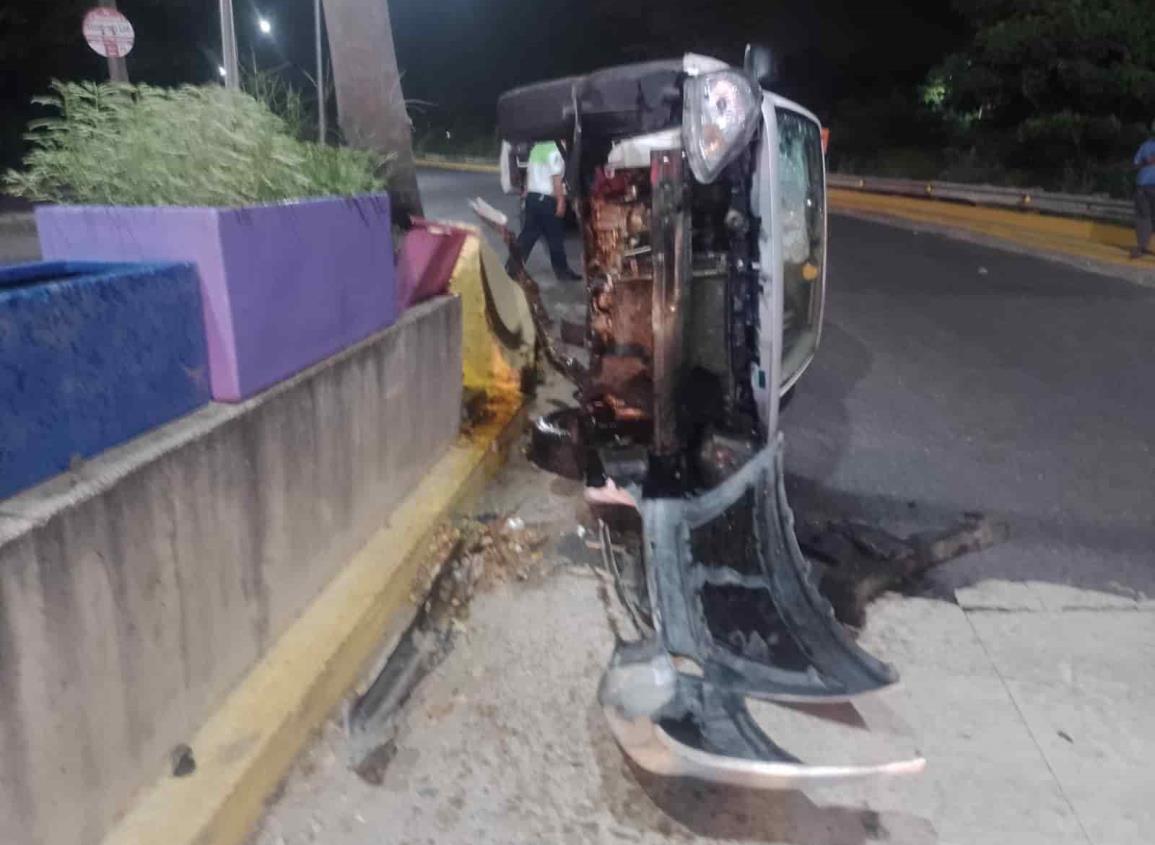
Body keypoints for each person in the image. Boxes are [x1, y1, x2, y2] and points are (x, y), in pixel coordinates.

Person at [511, 141, 582, 281]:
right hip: (546, 200)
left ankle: (512, 268)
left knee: (527, 236)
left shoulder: (537, 148)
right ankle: (563, 273)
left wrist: (526, 193)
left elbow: (528, 175)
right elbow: (556, 179)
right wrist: (561, 201)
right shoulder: (555, 150)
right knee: (555, 237)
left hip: (532, 198)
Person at [1131, 122, 1155, 259]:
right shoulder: (1145, 145)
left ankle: (1143, 246)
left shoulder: (1145, 145)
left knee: (1148, 217)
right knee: (1143, 217)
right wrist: (1147, 162)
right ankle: (1141, 246)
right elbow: (1135, 165)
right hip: (1142, 185)